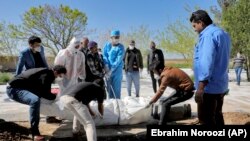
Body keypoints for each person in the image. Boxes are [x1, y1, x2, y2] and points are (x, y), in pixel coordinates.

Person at [190, 10, 231, 125]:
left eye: (194, 25)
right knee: (217, 115)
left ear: (201, 22)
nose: (194, 29)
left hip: (208, 88)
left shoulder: (207, 35)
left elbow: (206, 62)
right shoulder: (223, 33)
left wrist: (201, 88)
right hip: (220, 85)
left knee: (206, 119)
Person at [6, 65, 67, 140]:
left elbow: (44, 92)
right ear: (55, 72)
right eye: (60, 75)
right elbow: (45, 93)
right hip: (14, 89)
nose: (59, 77)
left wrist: (53, 96)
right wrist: (56, 97)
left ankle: (50, 117)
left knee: (40, 99)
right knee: (35, 100)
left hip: (23, 87)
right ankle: (34, 132)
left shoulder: (47, 73)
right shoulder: (47, 75)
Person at [15, 35, 60, 124]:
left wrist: (49, 72)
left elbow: (44, 61)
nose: (38, 46)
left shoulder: (41, 49)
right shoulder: (24, 53)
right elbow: (19, 67)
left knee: (48, 96)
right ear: (30, 44)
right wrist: (17, 80)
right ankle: (35, 119)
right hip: (34, 79)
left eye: (39, 44)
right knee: (36, 99)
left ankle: (50, 117)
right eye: (36, 44)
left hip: (44, 77)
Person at [54, 37, 86, 134]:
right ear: (71, 44)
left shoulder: (80, 54)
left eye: (78, 46)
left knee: (72, 99)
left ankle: (72, 120)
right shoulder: (63, 53)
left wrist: (82, 77)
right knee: (62, 98)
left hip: (74, 80)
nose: (77, 47)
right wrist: (59, 78)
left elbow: (81, 67)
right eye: (75, 45)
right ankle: (59, 115)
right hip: (63, 80)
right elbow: (57, 66)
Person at [103, 30, 125, 99]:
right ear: (111, 38)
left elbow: (118, 60)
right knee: (109, 89)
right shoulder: (107, 45)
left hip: (117, 71)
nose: (117, 39)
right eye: (115, 37)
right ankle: (110, 105)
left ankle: (117, 104)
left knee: (116, 89)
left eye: (118, 37)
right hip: (107, 70)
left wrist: (111, 70)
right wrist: (106, 66)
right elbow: (105, 56)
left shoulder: (121, 47)